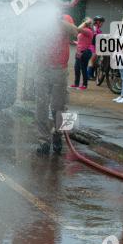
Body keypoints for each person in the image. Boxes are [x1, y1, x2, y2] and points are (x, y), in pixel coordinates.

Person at [36, 13, 77, 155]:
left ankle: (58, 135)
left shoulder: (66, 18)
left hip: (60, 69)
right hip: (42, 68)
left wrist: (58, 21)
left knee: (59, 106)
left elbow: (75, 32)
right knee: (41, 105)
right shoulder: (39, 19)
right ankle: (43, 141)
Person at [69, 17, 93, 89]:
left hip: (85, 52)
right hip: (79, 52)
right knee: (77, 68)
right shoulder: (84, 31)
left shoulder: (88, 31)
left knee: (83, 69)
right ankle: (76, 84)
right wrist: (75, 42)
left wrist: (85, 23)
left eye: (84, 22)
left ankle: (84, 85)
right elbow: (82, 41)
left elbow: (78, 29)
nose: (83, 23)